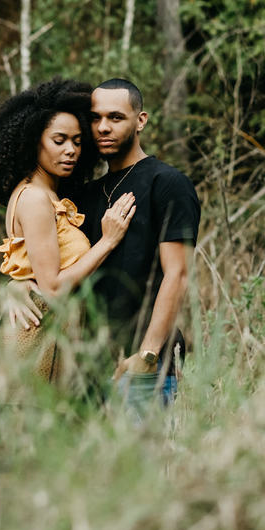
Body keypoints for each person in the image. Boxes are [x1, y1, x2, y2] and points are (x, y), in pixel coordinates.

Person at [0, 78, 138, 383]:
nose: (71, 151)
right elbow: (52, 287)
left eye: (78, 142)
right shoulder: (36, 198)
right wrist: (107, 242)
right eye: (59, 140)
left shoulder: (50, 195)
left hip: (50, 333)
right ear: (33, 142)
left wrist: (19, 283)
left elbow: (35, 271)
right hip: (37, 336)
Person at [80, 79, 200, 409]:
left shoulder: (168, 183)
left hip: (144, 369)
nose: (103, 127)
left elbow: (177, 275)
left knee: (144, 461)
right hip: (87, 366)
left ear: (140, 120)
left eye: (116, 117)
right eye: (95, 118)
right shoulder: (85, 194)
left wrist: (146, 356)